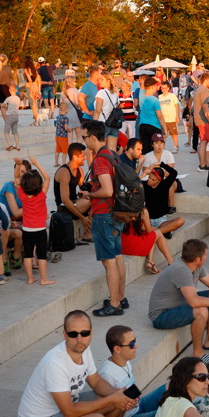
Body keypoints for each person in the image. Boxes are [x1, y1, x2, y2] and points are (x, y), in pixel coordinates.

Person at [149, 239, 209, 361]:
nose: (206, 257)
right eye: (205, 255)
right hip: (161, 315)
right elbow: (194, 302)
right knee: (201, 311)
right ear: (197, 259)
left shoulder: (194, 266)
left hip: (179, 304)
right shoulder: (180, 270)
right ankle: (197, 353)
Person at [97, 325, 167, 417]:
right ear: (117, 349)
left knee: (171, 386)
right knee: (166, 415)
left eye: (135, 341)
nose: (136, 346)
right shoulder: (107, 375)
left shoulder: (125, 361)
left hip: (137, 407)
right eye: (132, 344)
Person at [84, 121, 128, 317]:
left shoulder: (100, 160)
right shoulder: (113, 155)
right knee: (117, 258)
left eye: (84, 137)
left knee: (109, 262)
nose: (84, 140)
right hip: (116, 213)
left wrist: (90, 195)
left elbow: (107, 190)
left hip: (104, 215)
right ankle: (120, 297)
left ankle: (114, 304)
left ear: (93, 137)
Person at [10, 165, 55, 286]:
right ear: (39, 184)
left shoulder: (22, 195)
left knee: (28, 255)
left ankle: (30, 278)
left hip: (27, 230)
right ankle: (43, 279)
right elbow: (47, 178)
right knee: (41, 256)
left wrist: (18, 165)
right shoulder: (41, 195)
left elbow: (16, 177)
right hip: (40, 230)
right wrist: (36, 163)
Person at [53, 142, 93, 244]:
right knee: (91, 201)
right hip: (64, 208)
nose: (85, 158)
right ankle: (88, 233)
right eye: (83, 156)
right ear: (75, 157)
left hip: (75, 202)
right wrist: (82, 218)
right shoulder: (64, 172)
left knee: (96, 198)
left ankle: (89, 233)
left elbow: (82, 188)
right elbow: (65, 200)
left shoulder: (79, 170)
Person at [157, 81, 181, 151]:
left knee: (173, 134)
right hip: (163, 119)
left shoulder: (172, 96)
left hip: (171, 118)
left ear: (168, 88)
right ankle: (163, 148)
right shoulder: (159, 97)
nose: (163, 89)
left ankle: (175, 146)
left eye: (165, 88)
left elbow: (176, 106)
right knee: (163, 135)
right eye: (162, 88)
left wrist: (177, 116)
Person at [1, 83, 22, 151]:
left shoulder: (8, 98)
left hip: (10, 116)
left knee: (6, 131)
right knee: (15, 132)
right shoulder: (18, 98)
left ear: (9, 90)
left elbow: (2, 105)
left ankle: (9, 145)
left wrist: (6, 107)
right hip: (16, 116)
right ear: (16, 90)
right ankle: (17, 146)